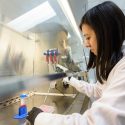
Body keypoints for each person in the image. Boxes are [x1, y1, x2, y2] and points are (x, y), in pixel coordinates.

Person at [26, 1, 125, 125]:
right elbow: (97, 90)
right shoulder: (115, 64)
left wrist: (40, 118)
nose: (85, 44)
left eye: (88, 37)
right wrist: (70, 79)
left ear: (106, 33)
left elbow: (95, 122)